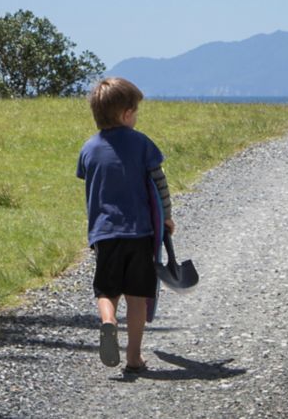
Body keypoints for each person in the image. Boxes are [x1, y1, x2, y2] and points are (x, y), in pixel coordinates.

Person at [76, 77, 175, 376]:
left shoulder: (89, 148)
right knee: (136, 298)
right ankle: (133, 357)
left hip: (104, 234)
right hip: (140, 233)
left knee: (106, 291)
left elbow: (88, 179)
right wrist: (167, 217)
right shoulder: (142, 143)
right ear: (127, 114)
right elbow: (159, 185)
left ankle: (108, 322)